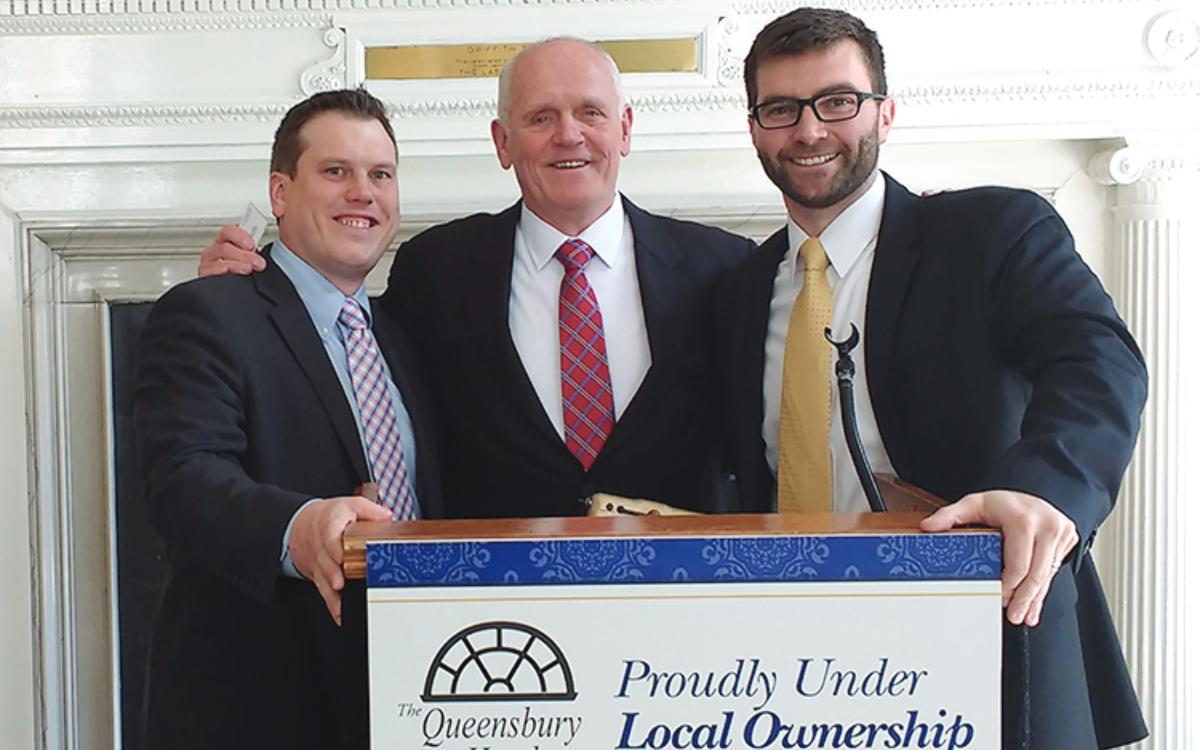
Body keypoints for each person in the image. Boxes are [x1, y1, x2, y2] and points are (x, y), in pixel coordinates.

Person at [716, 8, 1147, 748]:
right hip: (791, 669)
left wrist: (1044, 489)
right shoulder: (733, 294)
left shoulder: (992, 232)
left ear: (886, 111)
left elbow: (1096, 358)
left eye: (838, 101)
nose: (810, 130)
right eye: (781, 109)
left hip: (988, 633)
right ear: (755, 128)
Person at [200, 38, 754, 518]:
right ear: (502, 142)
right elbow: (336, 351)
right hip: (488, 612)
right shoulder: (434, 269)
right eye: (540, 117)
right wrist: (251, 296)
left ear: (625, 129)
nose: (569, 135)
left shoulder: (722, 268)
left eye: (590, 112)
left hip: (677, 603)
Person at [135, 89, 441, 750]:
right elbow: (181, 480)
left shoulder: (406, 337)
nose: (363, 191)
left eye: (380, 175)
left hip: (408, 695)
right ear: (280, 192)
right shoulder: (208, 312)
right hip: (257, 707)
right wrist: (298, 526)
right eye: (336, 171)